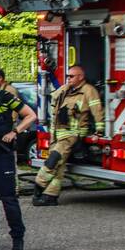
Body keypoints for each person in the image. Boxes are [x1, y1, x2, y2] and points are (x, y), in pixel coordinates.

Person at [0, 66, 37, 250]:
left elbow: (30, 115)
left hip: (3, 153)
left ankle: (17, 238)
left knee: (8, 198)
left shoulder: (5, 97)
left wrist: (15, 132)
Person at [33, 65, 104, 206]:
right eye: (67, 76)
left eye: (71, 76)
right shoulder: (65, 90)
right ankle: (50, 195)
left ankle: (38, 186)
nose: (68, 79)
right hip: (56, 134)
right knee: (59, 166)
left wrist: (99, 132)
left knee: (53, 161)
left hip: (72, 134)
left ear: (81, 77)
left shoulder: (88, 91)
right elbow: (53, 99)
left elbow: (97, 111)